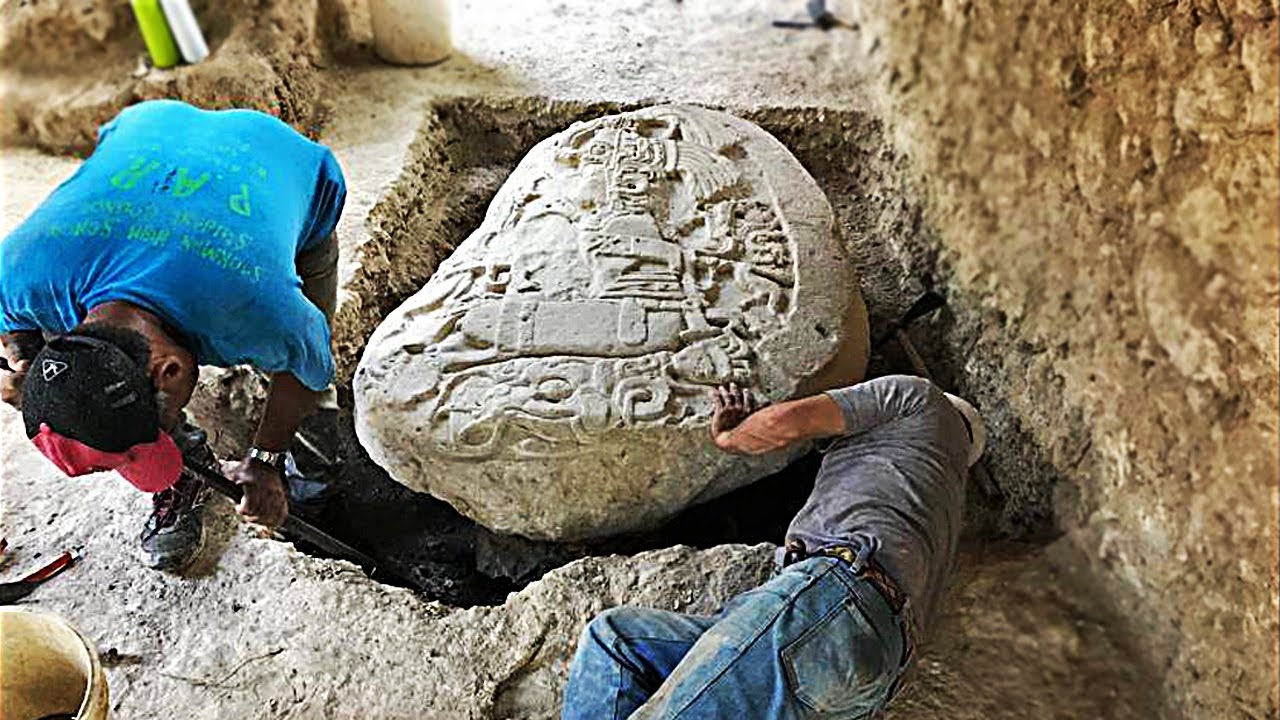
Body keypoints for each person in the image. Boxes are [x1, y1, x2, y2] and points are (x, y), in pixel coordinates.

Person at [0, 99, 346, 572]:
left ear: (172, 368)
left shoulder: (259, 310)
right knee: (106, 394)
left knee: (308, 371)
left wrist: (265, 460)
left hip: (283, 160)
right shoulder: (21, 272)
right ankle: (185, 475)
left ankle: (312, 475)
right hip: (147, 126)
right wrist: (25, 357)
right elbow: (13, 324)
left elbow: (306, 366)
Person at [562, 374, 986, 719]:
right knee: (617, 642)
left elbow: (788, 422)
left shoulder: (918, 397)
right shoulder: (943, 510)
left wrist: (734, 437)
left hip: (832, 602)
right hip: (870, 676)